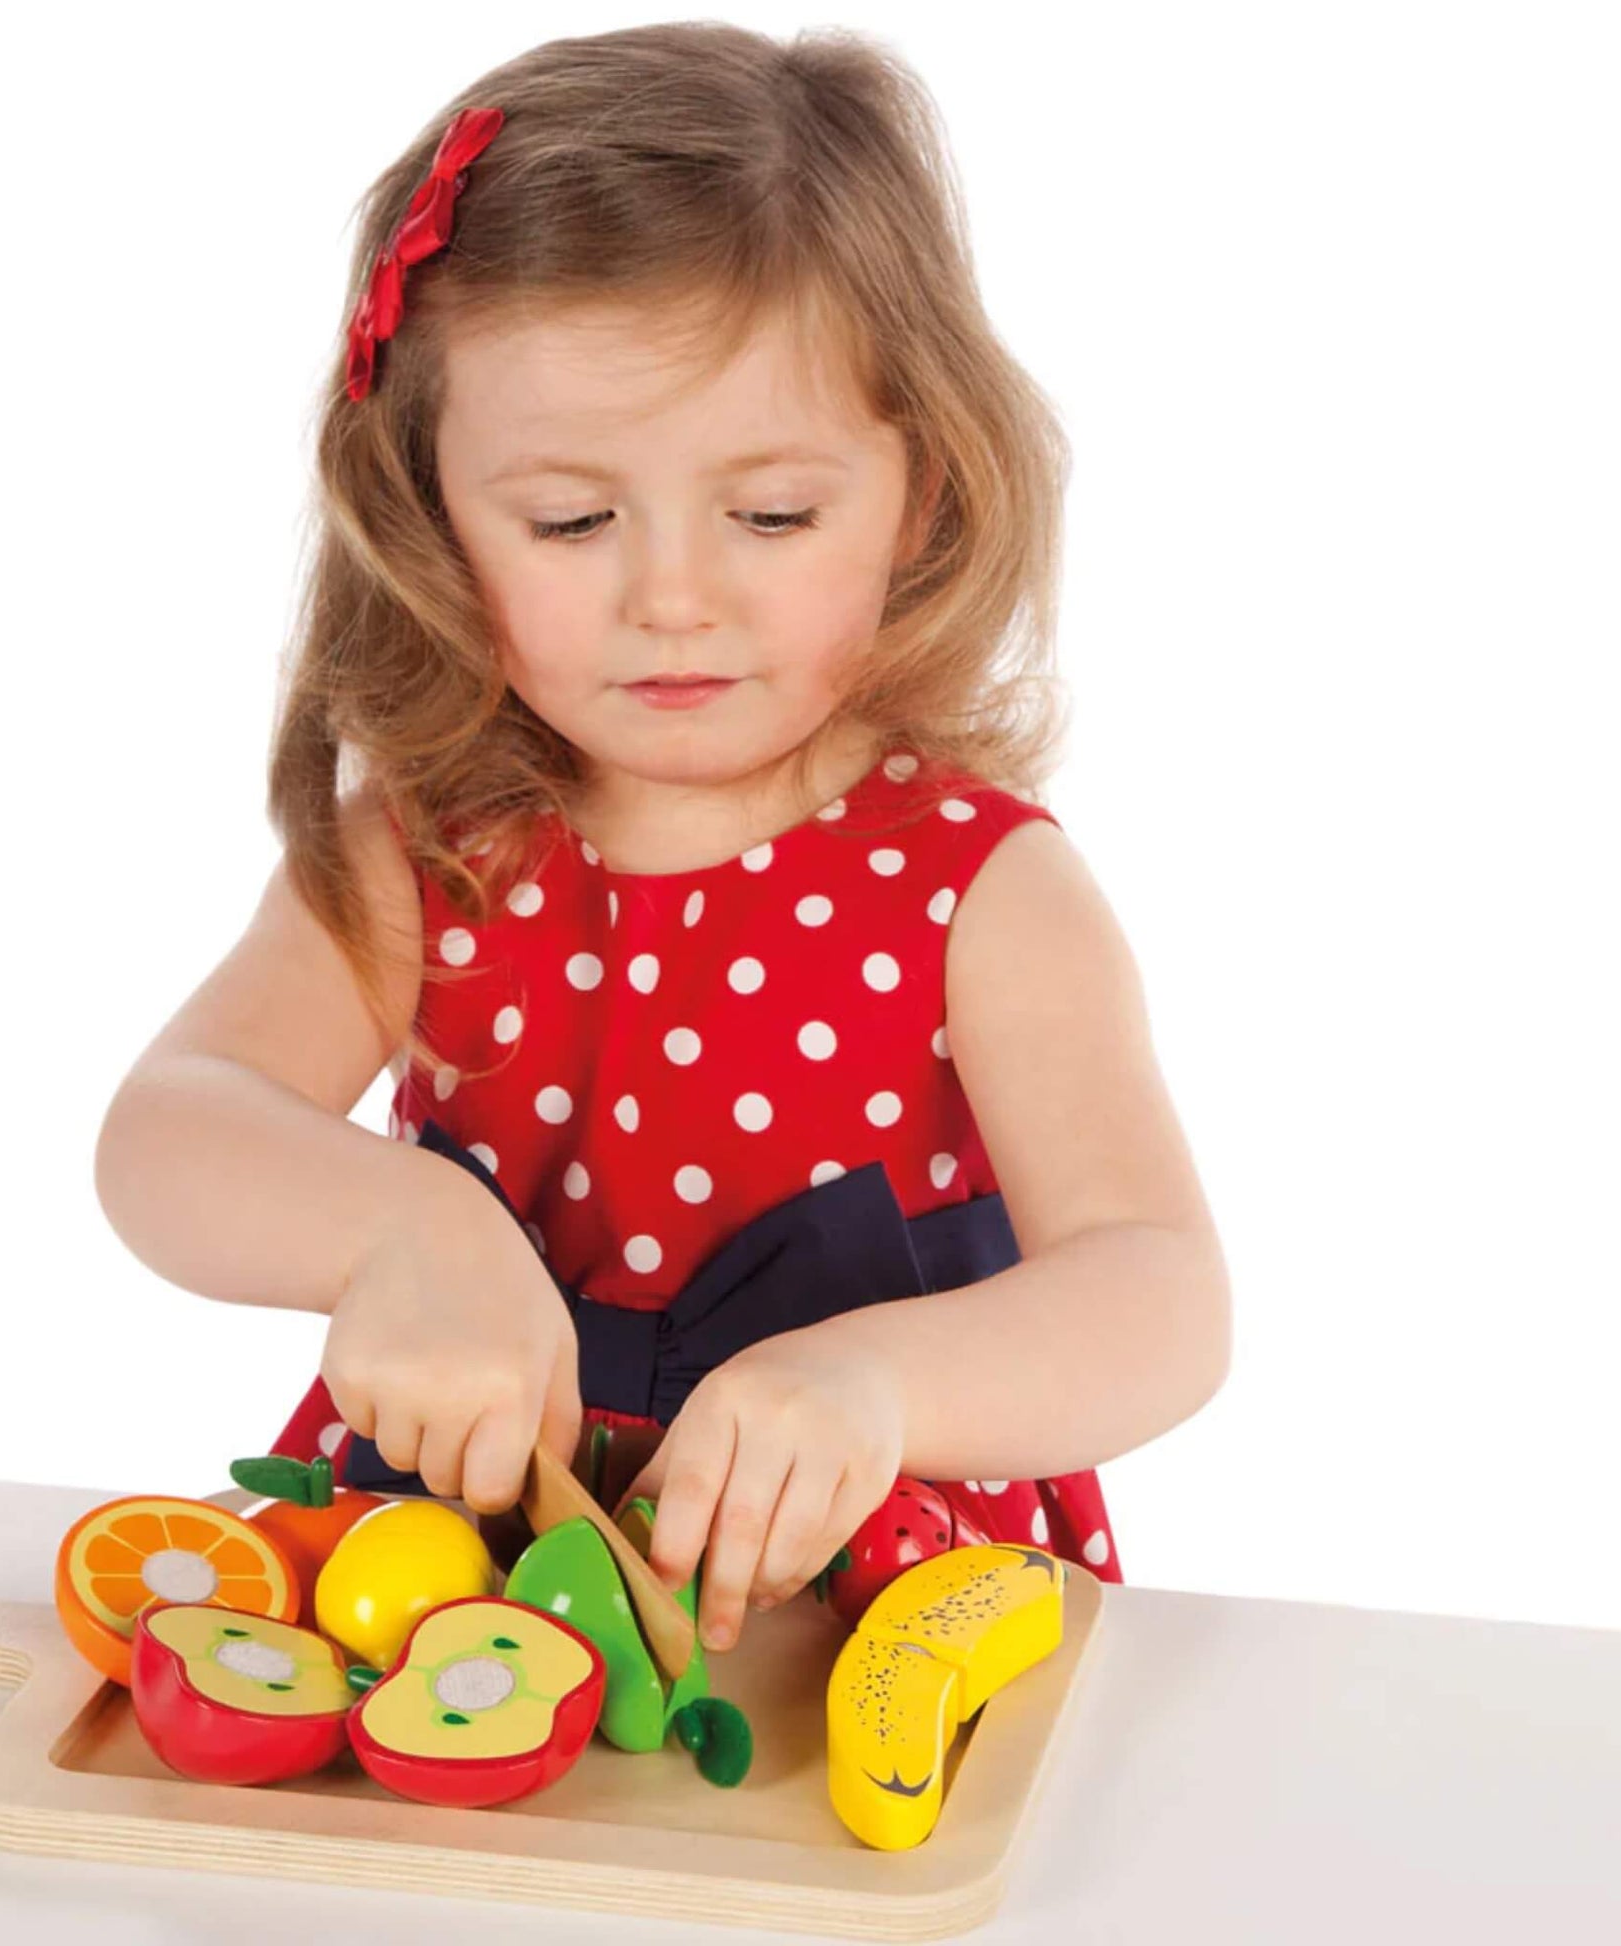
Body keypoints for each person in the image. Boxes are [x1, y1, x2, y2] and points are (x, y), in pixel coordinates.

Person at [93, 21, 1231, 1657]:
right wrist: (407, 1227)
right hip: (451, 1595)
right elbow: (165, 1133)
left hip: (875, 1613)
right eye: (568, 518)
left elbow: (1160, 1294)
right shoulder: (422, 852)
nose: (672, 595)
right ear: (427, 508)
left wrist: (874, 1379)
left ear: (919, 495)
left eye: (771, 513)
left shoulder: (980, 886)